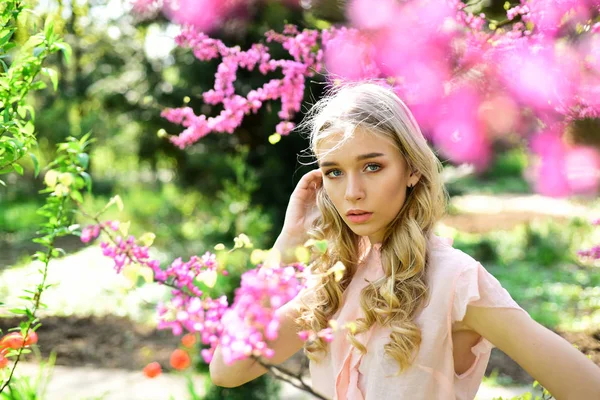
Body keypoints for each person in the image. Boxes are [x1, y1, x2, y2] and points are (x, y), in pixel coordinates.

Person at [209, 82, 600, 399]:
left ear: (412, 169)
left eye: (372, 166)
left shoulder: (455, 280)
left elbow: (586, 387)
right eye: (334, 172)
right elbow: (227, 369)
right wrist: (286, 244)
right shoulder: (333, 281)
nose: (353, 192)